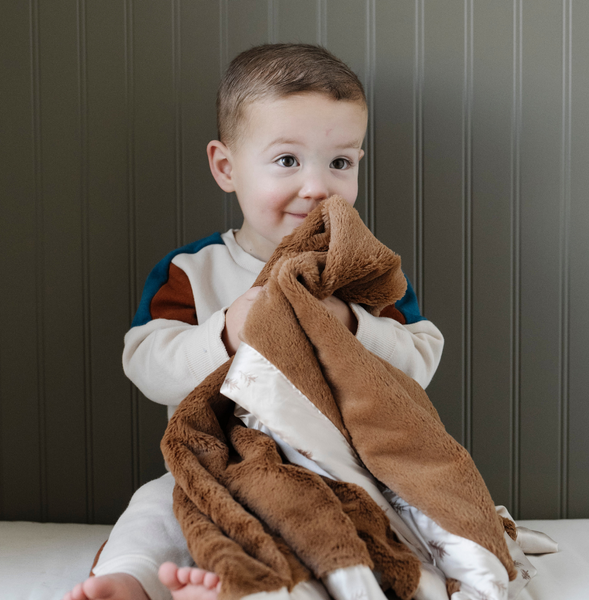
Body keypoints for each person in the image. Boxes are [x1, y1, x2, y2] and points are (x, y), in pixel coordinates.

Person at [64, 43, 444, 600]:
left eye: (339, 162)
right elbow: (147, 362)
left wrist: (353, 326)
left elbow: (420, 362)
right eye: (288, 160)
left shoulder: (364, 272)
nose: (317, 186)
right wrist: (227, 332)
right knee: (158, 505)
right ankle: (134, 578)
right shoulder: (193, 271)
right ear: (226, 167)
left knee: (359, 530)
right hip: (218, 465)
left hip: (335, 476)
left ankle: (250, 586)